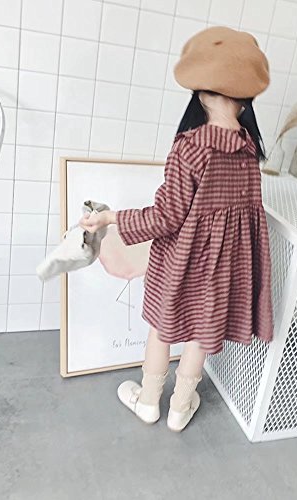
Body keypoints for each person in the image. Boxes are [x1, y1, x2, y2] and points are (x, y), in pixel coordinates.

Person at [79, 26, 274, 432]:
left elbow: (166, 217)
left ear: (201, 93)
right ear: (246, 100)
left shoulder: (190, 147)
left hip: (180, 262)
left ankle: (149, 402)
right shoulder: (249, 150)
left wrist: (111, 218)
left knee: (162, 329)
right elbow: (249, 220)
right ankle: (181, 409)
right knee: (200, 335)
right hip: (222, 269)